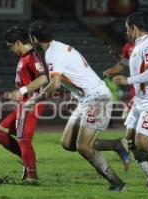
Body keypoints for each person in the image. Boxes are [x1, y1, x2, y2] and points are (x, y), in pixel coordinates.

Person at [26, 20, 127, 191]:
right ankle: (116, 145)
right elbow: (77, 72)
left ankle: (117, 183)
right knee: (68, 143)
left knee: (84, 147)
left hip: (97, 98)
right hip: (86, 98)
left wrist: (35, 100)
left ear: (34, 39)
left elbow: (55, 83)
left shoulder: (52, 54)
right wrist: (76, 96)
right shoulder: (59, 47)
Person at [113, 12, 148, 186]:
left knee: (142, 142)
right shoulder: (137, 47)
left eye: (127, 29)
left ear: (133, 28)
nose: (126, 33)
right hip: (140, 101)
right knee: (131, 140)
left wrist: (128, 80)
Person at [0, 26, 48, 184]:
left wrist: (22, 91)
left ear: (18, 42)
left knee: (23, 138)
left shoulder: (32, 57)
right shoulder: (24, 57)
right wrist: (16, 93)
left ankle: (32, 177)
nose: (10, 50)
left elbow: (43, 79)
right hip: (24, 103)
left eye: (11, 46)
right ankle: (27, 159)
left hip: (30, 104)